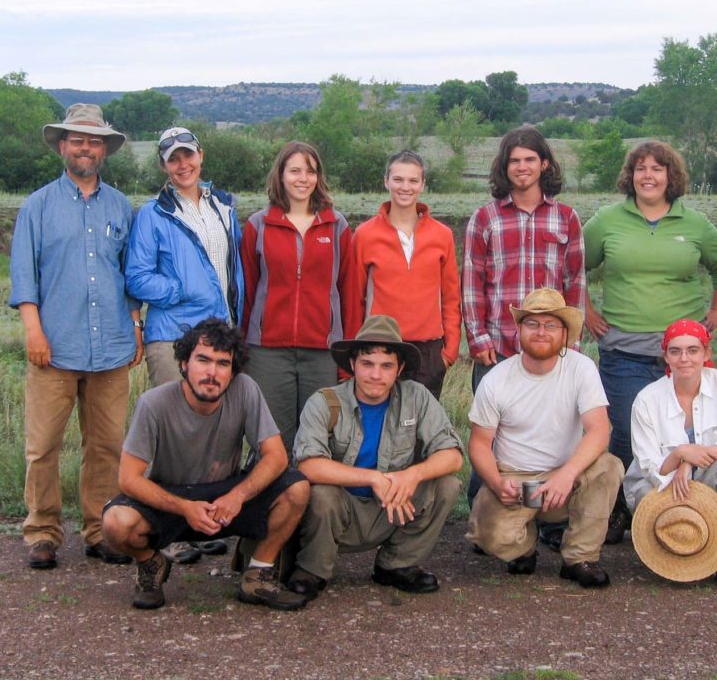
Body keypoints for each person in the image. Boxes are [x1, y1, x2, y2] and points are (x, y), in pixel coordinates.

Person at [9, 103, 143, 570]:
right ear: (62, 146)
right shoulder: (38, 206)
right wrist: (34, 331)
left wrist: (135, 322)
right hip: (55, 347)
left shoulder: (121, 206)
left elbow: (129, 275)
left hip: (110, 345)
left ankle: (100, 530)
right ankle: (42, 531)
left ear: (105, 149)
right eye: (77, 139)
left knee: (106, 445)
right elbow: (24, 277)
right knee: (43, 446)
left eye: (94, 140)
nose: (86, 147)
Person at [101, 318, 310, 611]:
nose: (212, 373)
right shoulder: (153, 404)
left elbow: (276, 455)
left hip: (226, 494)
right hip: (171, 498)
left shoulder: (245, 389)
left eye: (223, 363)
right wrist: (185, 507)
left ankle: (258, 574)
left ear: (233, 370)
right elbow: (129, 479)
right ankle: (151, 564)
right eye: (203, 360)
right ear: (184, 364)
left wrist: (238, 496)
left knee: (297, 488)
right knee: (116, 523)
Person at [582, 141, 717, 544]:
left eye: (657, 168)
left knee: (686, 431)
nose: (648, 176)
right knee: (624, 432)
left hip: (683, 354)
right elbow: (572, 263)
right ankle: (623, 509)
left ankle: (685, 510)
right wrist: (586, 311)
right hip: (623, 351)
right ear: (630, 176)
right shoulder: (607, 220)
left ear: (671, 176)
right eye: (640, 168)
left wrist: (716, 313)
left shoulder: (696, 223)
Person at [125, 126, 244, 564]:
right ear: (163, 165)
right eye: (173, 158)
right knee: (168, 438)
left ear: (201, 156)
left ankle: (203, 524)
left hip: (221, 333)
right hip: (174, 336)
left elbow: (232, 269)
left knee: (212, 438)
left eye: (188, 155)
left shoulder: (223, 207)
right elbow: (137, 276)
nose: (182, 164)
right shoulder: (153, 214)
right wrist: (183, 290)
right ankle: (163, 531)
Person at [287, 314, 464, 600]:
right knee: (321, 494)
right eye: (367, 364)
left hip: (393, 506)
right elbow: (308, 464)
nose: (375, 375)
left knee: (447, 485)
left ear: (400, 368)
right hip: (341, 509)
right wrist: (373, 478)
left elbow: (453, 455)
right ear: (353, 364)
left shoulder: (416, 396)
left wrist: (412, 475)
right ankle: (312, 569)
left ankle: (396, 565)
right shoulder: (324, 401)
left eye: (386, 366)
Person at [461, 126, 586, 526]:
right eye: (514, 160)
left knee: (555, 430)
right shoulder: (485, 218)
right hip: (499, 345)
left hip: (552, 348)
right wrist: (478, 336)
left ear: (544, 164)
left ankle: (551, 518)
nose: (522, 167)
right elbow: (472, 281)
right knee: (492, 435)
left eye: (530, 159)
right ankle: (486, 514)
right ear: (504, 167)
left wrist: (572, 341)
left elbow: (576, 283)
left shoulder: (566, 218)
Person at [466, 289, 623, 588]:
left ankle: (580, 557)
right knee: (487, 534)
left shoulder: (581, 368)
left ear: (565, 335)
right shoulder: (496, 379)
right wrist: (498, 483)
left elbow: (600, 429)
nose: (541, 332)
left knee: (609, 466)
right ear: (519, 331)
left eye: (551, 325)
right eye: (532, 324)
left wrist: (567, 474)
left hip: (566, 477)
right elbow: (479, 444)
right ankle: (523, 548)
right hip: (516, 479)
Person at [624, 319, 717, 589]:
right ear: (666, 356)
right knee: (653, 497)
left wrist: (700, 455)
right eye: (675, 351)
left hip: (706, 475)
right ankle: (671, 552)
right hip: (657, 484)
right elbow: (650, 464)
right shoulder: (647, 399)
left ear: (706, 354)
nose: (684, 358)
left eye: (692, 350)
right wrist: (680, 455)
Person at [240, 141, 352, 449]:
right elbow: (248, 292)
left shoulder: (337, 225)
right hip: (268, 353)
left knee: (320, 437)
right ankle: (277, 497)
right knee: (274, 440)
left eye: (310, 171)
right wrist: (244, 348)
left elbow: (348, 293)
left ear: (319, 177)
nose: (303, 178)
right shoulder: (258, 225)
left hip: (322, 351)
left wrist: (347, 357)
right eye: (295, 171)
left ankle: (317, 498)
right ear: (281, 175)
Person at [346, 151, 460, 399]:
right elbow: (354, 299)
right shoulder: (365, 235)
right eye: (398, 180)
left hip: (428, 352)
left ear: (422, 184)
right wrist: (355, 352)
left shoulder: (442, 235)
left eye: (412, 180)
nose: (405, 187)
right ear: (386, 181)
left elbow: (451, 297)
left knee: (421, 430)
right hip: (380, 347)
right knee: (380, 425)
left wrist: (449, 351)